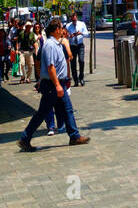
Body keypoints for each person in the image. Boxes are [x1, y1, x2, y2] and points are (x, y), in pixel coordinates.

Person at [18, 19, 90, 150]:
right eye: (61, 28)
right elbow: (51, 67)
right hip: (53, 85)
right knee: (43, 112)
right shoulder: (50, 45)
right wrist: (57, 85)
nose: (63, 30)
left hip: (58, 83)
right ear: (56, 29)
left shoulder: (56, 44)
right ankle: (25, 138)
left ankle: (74, 136)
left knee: (67, 109)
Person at [66, 11, 89, 86]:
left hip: (80, 45)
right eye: (72, 20)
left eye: (75, 19)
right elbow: (66, 36)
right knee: (73, 63)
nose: (74, 21)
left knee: (81, 61)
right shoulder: (68, 26)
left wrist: (80, 33)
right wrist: (70, 36)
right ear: (71, 19)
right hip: (72, 46)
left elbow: (86, 34)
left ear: (77, 18)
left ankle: (81, 78)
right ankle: (75, 80)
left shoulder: (82, 24)